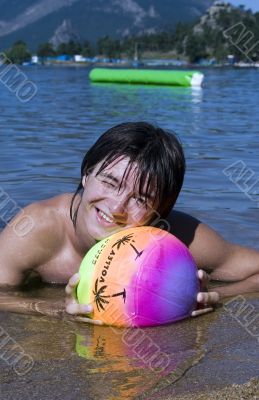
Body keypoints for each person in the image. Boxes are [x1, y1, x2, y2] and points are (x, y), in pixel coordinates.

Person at [0, 122, 259, 325]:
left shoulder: (176, 237)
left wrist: (211, 298)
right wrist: (51, 309)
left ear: (161, 212)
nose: (116, 208)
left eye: (140, 199)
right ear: (87, 173)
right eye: (110, 183)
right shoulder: (36, 228)